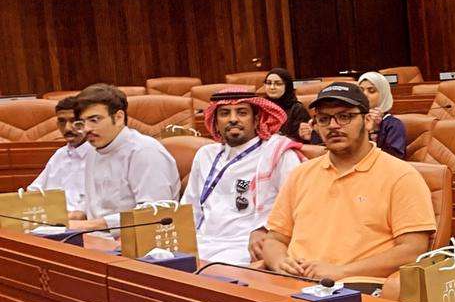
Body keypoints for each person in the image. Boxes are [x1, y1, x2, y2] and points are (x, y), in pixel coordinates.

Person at [256, 80, 435, 281]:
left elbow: (413, 251)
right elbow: (275, 239)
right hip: (294, 283)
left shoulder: (401, 176)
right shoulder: (301, 174)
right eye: (324, 119)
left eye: (345, 117)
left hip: (354, 288)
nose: (333, 126)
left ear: (368, 121)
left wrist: (341, 272)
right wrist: (280, 262)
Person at [181, 87, 301, 266]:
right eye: (224, 113)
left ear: (257, 119)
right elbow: (189, 207)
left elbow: (296, 205)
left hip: (243, 247)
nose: (233, 119)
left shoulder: (278, 154)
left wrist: (265, 229)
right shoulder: (206, 154)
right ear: (215, 121)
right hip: (201, 242)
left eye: (242, 112)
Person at [66, 84, 180, 232]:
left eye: (94, 120)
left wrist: (93, 225)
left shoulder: (145, 151)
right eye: (82, 123)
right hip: (96, 237)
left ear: (119, 118)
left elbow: (154, 213)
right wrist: (78, 214)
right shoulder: (93, 150)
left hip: (137, 242)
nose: (87, 129)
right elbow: (97, 201)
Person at [27, 96, 90, 213]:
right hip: (53, 221)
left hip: (88, 224)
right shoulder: (60, 154)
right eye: (62, 121)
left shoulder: (100, 155)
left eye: (74, 121)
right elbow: (34, 190)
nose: (67, 128)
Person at [357, 71, 407, 159]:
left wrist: (374, 130)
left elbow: (395, 158)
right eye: (361, 90)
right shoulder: (353, 119)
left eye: (371, 91)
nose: (364, 95)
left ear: (383, 94)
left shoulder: (394, 125)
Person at [260, 68, 312, 142]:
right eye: (268, 83)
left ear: (287, 86)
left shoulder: (297, 109)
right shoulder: (261, 106)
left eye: (278, 84)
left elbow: (302, 139)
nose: (272, 87)